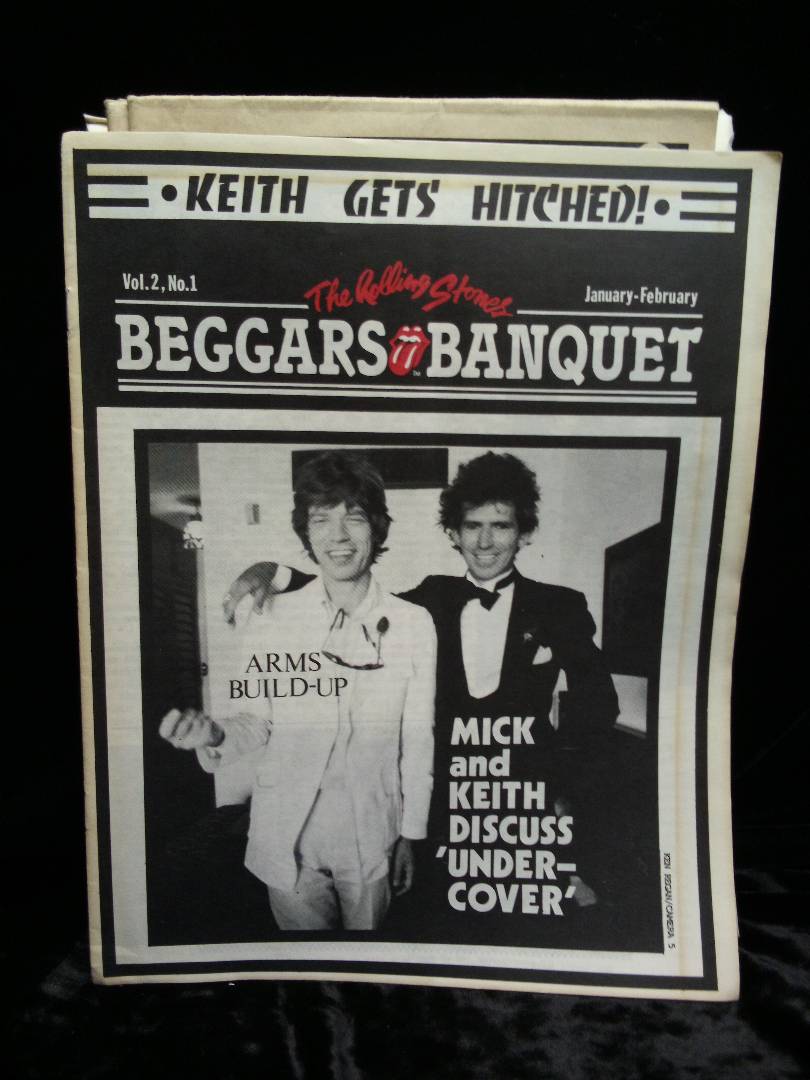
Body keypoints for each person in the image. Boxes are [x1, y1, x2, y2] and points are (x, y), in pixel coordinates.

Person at [223, 453, 620, 934]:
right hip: (442, 801)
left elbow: (600, 704)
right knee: (434, 926)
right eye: (472, 526)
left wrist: (561, 786)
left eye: (501, 526)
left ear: (524, 532)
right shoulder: (430, 599)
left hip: (522, 796)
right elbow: (349, 583)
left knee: (529, 927)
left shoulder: (560, 605)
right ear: (453, 532)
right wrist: (272, 571)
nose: (485, 542)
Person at [160, 451, 436, 931]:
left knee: (367, 962)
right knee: (305, 966)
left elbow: (417, 738)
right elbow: (255, 722)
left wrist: (411, 833)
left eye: (354, 518)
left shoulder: (414, 622)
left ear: (376, 528)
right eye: (321, 519)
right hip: (286, 834)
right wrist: (213, 733)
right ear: (306, 533)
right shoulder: (271, 616)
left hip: (374, 832)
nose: (338, 536)